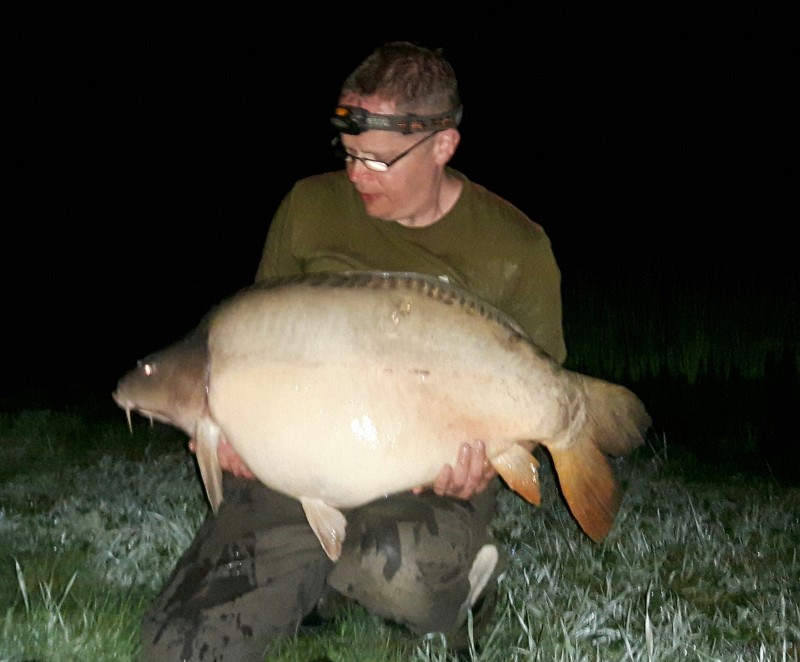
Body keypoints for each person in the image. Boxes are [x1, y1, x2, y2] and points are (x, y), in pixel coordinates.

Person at [140, 41, 567, 661]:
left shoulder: (515, 246)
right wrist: (236, 433)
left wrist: (495, 459)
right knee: (178, 647)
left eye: (378, 159)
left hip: (425, 479)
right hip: (295, 476)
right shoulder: (308, 208)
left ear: (443, 145)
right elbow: (254, 351)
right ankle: (317, 582)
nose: (357, 174)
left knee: (398, 572)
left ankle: (463, 590)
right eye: (348, 153)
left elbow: (531, 391)